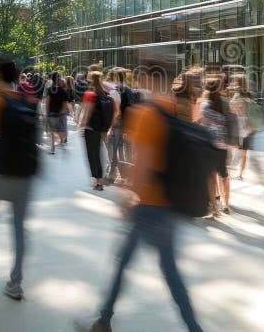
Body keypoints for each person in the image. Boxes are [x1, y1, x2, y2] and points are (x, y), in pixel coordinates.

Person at [75, 63, 204, 332]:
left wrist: (130, 195)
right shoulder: (178, 110)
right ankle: (105, 318)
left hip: (150, 206)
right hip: (171, 204)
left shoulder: (149, 114)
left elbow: (143, 163)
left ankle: (104, 320)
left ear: (147, 78)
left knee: (131, 265)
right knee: (161, 270)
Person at [0, 61, 40, 301]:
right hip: (25, 173)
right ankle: (16, 283)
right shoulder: (27, 101)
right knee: (19, 229)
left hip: (3, 172)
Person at [196, 76, 231, 216]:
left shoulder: (205, 104)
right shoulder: (225, 102)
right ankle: (226, 204)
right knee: (224, 175)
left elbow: (202, 122)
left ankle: (215, 208)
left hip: (209, 143)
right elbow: (229, 121)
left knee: (211, 176)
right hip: (223, 144)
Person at [80, 71, 118, 191]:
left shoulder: (90, 94)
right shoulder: (106, 94)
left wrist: (82, 125)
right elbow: (115, 112)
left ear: (90, 80)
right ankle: (100, 181)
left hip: (90, 128)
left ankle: (97, 181)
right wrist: (109, 128)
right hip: (101, 128)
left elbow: (87, 112)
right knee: (98, 154)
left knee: (92, 155)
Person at [46, 71, 70, 155]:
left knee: (52, 131)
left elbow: (47, 102)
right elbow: (65, 104)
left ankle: (53, 148)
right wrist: (62, 112)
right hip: (60, 114)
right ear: (59, 79)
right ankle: (62, 144)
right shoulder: (63, 91)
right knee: (60, 130)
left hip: (52, 113)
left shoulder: (49, 89)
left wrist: (46, 113)